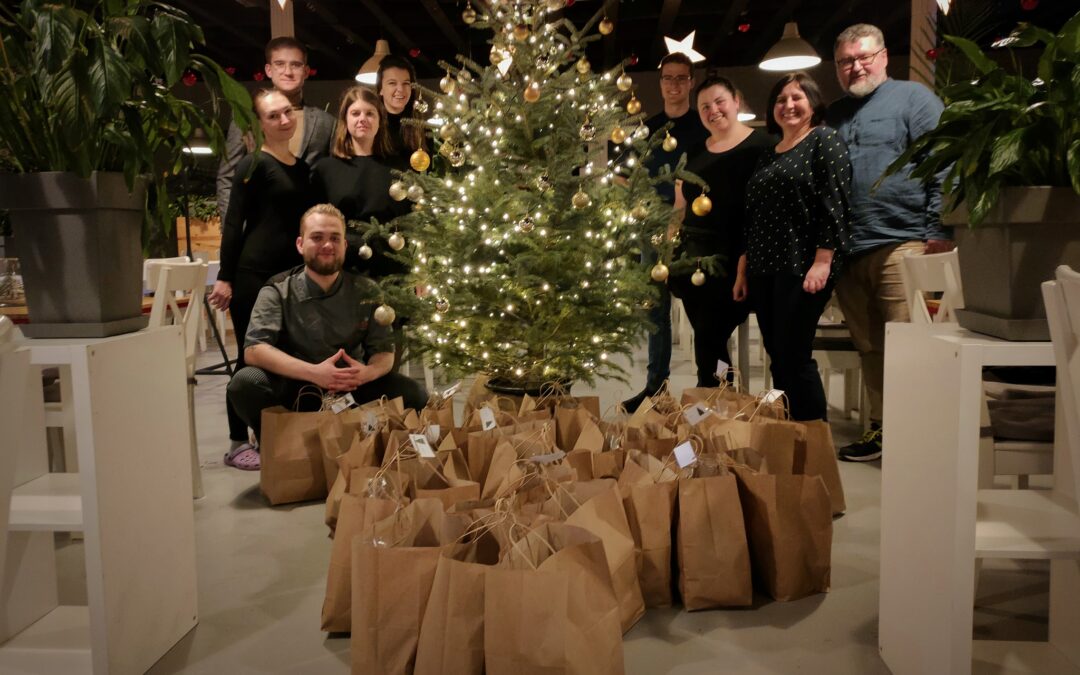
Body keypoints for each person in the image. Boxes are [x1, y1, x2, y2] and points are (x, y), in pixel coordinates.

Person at [826, 24, 948, 461]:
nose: (855, 66)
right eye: (845, 61)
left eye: (863, 57)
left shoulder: (914, 100)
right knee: (871, 347)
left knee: (910, 344)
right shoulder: (835, 115)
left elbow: (943, 160)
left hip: (905, 243)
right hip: (849, 251)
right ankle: (883, 430)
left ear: (883, 57)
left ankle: (921, 436)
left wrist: (937, 230)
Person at [226, 204, 429, 452]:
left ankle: (370, 451)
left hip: (351, 388)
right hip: (299, 388)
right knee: (244, 384)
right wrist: (314, 373)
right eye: (317, 237)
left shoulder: (366, 290)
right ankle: (275, 447)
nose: (327, 245)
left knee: (415, 394)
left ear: (344, 245)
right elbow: (255, 350)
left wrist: (367, 373)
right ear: (300, 244)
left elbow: (385, 351)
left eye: (335, 238)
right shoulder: (278, 290)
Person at [209, 88, 312, 470]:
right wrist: (225, 277)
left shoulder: (301, 167)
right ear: (260, 123)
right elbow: (234, 224)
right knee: (247, 358)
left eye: (288, 112)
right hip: (253, 276)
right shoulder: (252, 165)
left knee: (287, 356)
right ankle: (237, 443)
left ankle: (277, 435)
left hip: (292, 278)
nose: (284, 120)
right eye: (274, 116)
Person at [743, 72, 853, 422]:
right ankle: (788, 430)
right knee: (776, 353)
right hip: (765, 267)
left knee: (795, 353)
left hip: (802, 265)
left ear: (813, 103)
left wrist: (823, 260)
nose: (788, 105)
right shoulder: (769, 153)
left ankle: (812, 436)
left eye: (796, 97)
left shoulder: (824, 140)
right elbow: (755, 213)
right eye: (780, 99)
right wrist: (745, 266)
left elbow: (835, 201)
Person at [668, 76, 774, 386]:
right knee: (705, 328)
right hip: (692, 259)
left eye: (719, 102)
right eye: (704, 106)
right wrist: (668, 247)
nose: (713, 110)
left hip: (737, 257)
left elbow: (764, 211)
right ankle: (716, 390)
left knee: (709, 328)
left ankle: (713, 388)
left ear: (736, 102)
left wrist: (746, 258)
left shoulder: (763, 146)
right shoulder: (694, 151)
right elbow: (680, 205)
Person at [620, 52, 709, 412]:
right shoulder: (648, 130)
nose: (674, 85)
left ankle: (709, 386)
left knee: (702, 310)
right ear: (660, 84)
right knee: (654, 312)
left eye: (681, 78)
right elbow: (628, 176)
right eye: (668, 78)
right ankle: (656, 387)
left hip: (695, 229)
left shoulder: (703, 128)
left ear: (691, 82)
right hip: (652, 232)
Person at [216, 37, 335, 218]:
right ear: (269, 70)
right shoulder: (247, 118)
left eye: (295, 65)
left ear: (306, 71)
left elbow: (332, 181)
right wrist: (232, 229)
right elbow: (227, 177)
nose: (288, 72)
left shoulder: (326, 122)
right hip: (258, 229)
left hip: (310, 230)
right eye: (280, 64)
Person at [311, 86, 410, 279]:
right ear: (345, 120)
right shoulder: (325, 169)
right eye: (355, 113)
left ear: (380, 120)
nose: (362, 119)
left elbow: (411, 223)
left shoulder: (399, 169)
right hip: (341, 270)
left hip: (391, 270)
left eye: (370, 114)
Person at [376, 55, 427, 163]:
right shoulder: (371, 125)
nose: (400, 89)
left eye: (406, 83)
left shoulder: (423, 130)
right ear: (380, 89)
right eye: (392, 83)